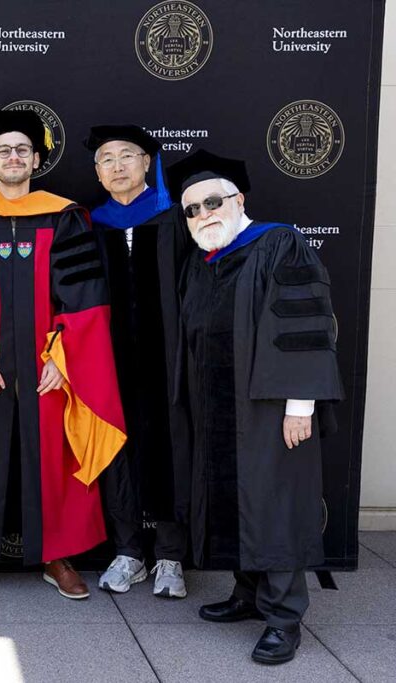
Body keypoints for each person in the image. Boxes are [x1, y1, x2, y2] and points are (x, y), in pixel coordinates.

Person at [169, 150, 343, 665]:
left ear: (238, 200)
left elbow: (304, 327)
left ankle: (284, 618)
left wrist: (300, 404)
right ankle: (247, 593)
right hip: (218, 408)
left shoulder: (279, 244)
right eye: (192, 209)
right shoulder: (203, 261)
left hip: (270, 409)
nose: (203, 214)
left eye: (212, 202)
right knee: (233, 501)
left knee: (275, 506)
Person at [0, 110, 125, 601]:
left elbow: (85, 294)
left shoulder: (65, 215)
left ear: (35, 160)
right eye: (4, 150)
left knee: (53, 453)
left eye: (22, 150)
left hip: (50, 361)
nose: (13, 156)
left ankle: (58, 555)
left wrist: (63, 356)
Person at [85, 125, 192, 599]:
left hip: (168, 358)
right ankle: (128, 552)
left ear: (148, 163)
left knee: (172, 450)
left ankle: (170, 556)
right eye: (106, 159)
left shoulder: (176, 219)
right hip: (110, 361)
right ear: (97, 172)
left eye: (128, 156)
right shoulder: (93, 223)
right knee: (117, 451)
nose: (117, 166)